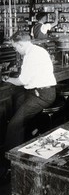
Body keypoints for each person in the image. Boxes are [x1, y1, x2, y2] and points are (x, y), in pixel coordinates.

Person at [1, 32, 57, 181]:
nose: (15, 50)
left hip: (42, 95)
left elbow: (21, 81)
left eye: (15, 47)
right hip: (41, 91)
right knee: (18, 104)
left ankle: (9, 165)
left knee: (14, 124)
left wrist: (7, 79)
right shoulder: (39, 50)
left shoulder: (30, 56)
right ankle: (26, 140)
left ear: (20, 44)